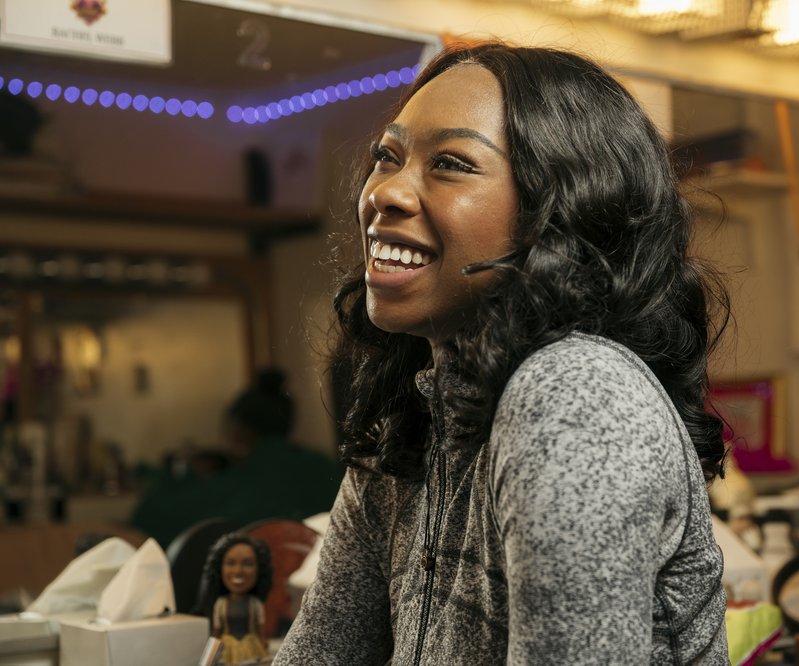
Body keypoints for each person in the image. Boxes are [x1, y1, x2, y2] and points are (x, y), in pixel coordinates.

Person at [276, 42, 730, 664]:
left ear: (559, 212)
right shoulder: (413, 419)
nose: (386, 193)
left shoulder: (577, 393)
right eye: (389, 156)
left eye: (452, 164)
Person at [130, 368, 345, 548]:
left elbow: (153, 515)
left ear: (241, 431)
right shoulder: (321, 464)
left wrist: (182, 476)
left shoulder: (249, 476)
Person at [194, 532, 273, 664]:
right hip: (227, 647)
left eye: (248, 564)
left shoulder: (255, 604)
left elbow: (260, 630)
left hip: (251, 646)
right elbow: (217, 631)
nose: (238, 571)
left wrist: (263, 643)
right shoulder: (221, 604)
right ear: (219, 568)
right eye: (230, 563)